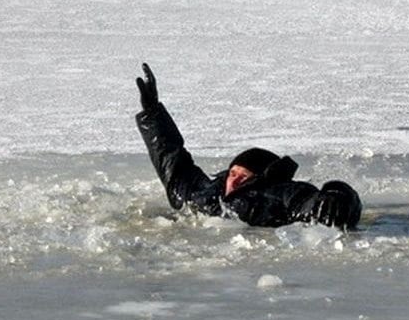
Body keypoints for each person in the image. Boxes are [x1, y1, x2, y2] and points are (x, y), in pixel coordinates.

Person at [134, 63, 362, 230]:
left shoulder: (280, 193)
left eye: (244, 176)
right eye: (233, 173)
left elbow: (312, 203)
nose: (235, 180)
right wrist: (153, 113)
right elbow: (173, 161)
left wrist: (336, 194)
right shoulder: (206, 193)